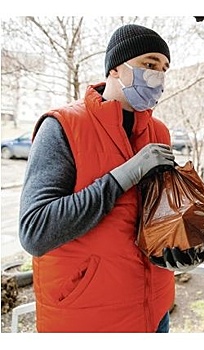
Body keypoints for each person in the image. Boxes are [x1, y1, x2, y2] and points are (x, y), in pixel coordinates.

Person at [19, 24, 177, 332]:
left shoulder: (159, 132)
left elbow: (157, 218)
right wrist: (123, 177)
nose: (158, 76)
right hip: (88, 319)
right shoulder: (63, 126)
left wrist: (184, 239)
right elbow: (35, 231)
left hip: (155, 310)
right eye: (149, 64)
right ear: (115, 69)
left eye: (164, 68)